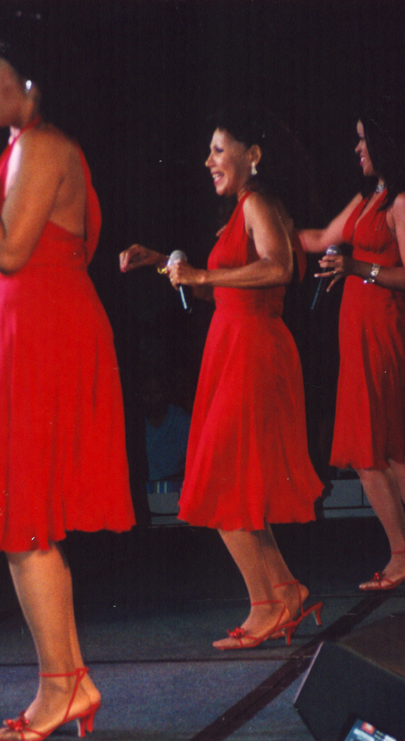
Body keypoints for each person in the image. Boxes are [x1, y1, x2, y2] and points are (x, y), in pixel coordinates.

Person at [0, 11, 135, 740]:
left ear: (29, 75)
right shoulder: (27, 146)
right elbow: (25, 252)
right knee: (25, 520)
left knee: (22, 520)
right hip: (35, 326)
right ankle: (69, 682)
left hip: (42, 336)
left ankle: (62, 687)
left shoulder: (41, 145)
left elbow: (12, 252)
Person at [120, 107, 323, 649]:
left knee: (219, 479)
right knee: (236, 482)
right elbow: (223, 288)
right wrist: (162, 263)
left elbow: (278, 267)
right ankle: (287, 592)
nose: (208, 161)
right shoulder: (243, 210)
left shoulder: (256, 203)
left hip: (251, 349)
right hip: (235, 347)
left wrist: (202, 272)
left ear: (252, 154)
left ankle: (264, 606)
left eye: (217, 149)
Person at [298, 104, 405, 591]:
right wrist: (264, 228)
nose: (357, 148)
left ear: (385, 143)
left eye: (363, 139)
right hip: (361, 334)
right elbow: (319, 238)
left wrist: (356, 269)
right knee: (374, 448)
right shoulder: (369, 197)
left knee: (384, 445)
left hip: (392, 329)